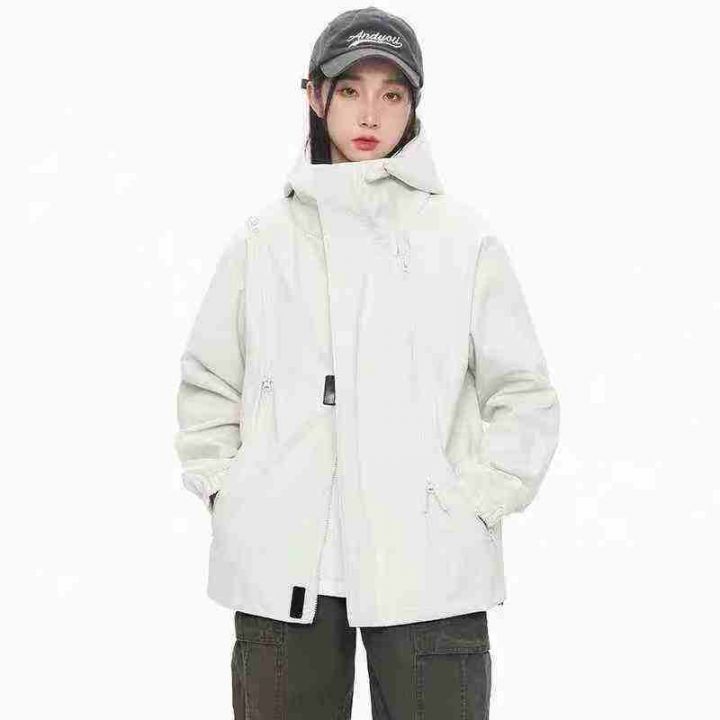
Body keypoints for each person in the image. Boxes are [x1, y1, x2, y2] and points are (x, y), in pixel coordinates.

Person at [174, 6, 560, 718]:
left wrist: (473, 505)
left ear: (414, 107)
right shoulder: (261, 243)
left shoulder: (463, 241)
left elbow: (524, 395)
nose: (370, 114)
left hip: (430, 568)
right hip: (284, 569)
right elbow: (207, 385)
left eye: (392, 93)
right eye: (350, 90)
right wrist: (233, 495)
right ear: (315, 96)